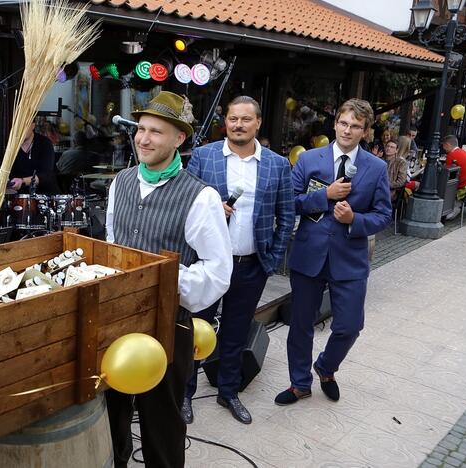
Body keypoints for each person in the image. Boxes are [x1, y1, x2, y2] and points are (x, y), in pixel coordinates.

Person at [105, 91, 232, 468]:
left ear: (179, 139)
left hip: (168, 322)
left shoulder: (201, 197)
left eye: (156, 132)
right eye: (141, 129)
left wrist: (166, 281)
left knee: (161, 418)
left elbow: (218, 270)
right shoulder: (121, 182)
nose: (143, 139)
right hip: (118, 318)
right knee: (112, 410)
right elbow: (114, 243)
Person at [185, 96, 295, 425]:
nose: (238, 125)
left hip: (250, 265)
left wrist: (271, 260)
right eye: (233, 118)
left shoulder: (277, 164)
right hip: (207, 264)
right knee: (195, 329)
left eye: (246, 119)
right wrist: (210, 208)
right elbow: (184, 204)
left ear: (258, 123)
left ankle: (228, 391)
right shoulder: (204, 157)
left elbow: (286, 217)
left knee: (235, 332)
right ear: (226, 121)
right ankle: (185, 394)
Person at [276, 98, 391, 406]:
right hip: (309, 255)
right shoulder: (309, 159)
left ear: (365, 131)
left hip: (350, 259)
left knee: (350, 326)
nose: (347, 130)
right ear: (335, 123)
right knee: (300, 325)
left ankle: (326, 367)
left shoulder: (377, 167)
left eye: (355, 126)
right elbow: (290, 201)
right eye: (343, 123)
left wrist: (355, 220)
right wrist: (323, 196)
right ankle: (300, 383)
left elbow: (384, 215)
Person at [10, 122, 60, 195]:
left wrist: (22, 181)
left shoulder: (44, 143)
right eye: (18, 127)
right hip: (20, 197)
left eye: (24, 126)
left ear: (33, 125)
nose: (20, 130)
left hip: (44, 195)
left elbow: (46, 175)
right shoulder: (11, 146)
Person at [442, 134, 466, 200]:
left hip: (458, 188)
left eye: (443, 145)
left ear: (447, 144)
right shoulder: (463, 152)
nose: (443, 148)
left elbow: (445, 174)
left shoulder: (452, 154)